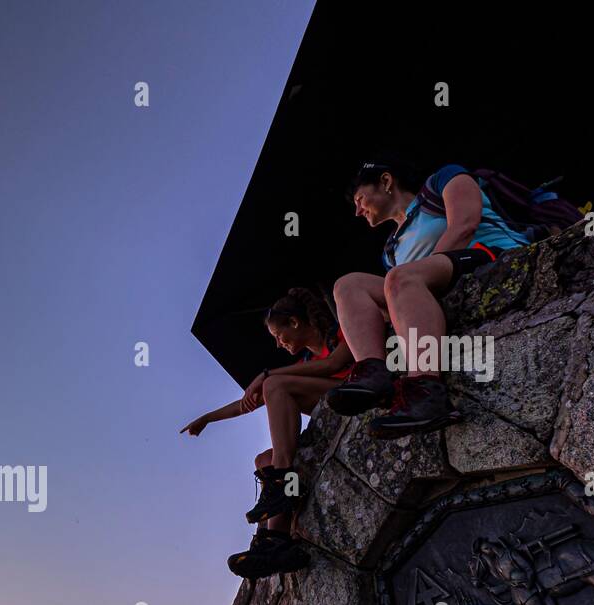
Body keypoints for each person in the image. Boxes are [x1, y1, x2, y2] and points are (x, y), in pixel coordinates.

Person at [328, 157, 531, 436]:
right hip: (427, 281)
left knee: (400, 278)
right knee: (347, 285)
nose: (357, 211)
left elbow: (465, 224)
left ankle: (425, 390)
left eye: (360, 199)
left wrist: (414, 279)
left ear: (386, 182)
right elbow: (395, 303)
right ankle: (373, 373)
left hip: (490, 256)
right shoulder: (390, 249)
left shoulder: (442, 180)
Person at [181, 287, 353, 579]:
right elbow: (247, 404)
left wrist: (268, 375)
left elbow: (336, 364)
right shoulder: (303, 366)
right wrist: (208, 418)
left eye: (279, 335)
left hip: (353, 395)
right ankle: (277, 543)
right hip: (329, 407)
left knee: (275, 387)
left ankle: (281, 486)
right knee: (263, 460)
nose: (278, 344)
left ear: (295, 323)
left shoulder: (340, 332)